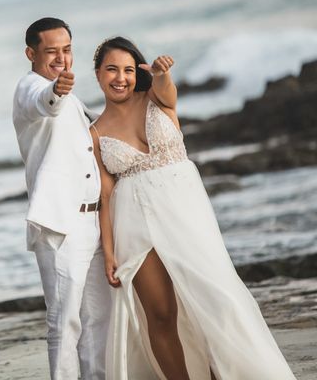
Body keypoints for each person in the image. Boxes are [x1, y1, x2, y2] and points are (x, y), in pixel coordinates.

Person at [89, 36, 296, 380]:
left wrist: (161, 75)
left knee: (216, 301)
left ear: (137, 71)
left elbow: (168, 93)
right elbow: (105, 195)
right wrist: (109, 253)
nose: (120, 78)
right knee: (159, 315)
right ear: (98, 74)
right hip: (133, 221)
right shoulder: (95, 133)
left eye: (127, 69)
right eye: (111, 69)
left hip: (185, 213)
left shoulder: (156, 97)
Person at [12, 18, 112, 379]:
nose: (61, 58)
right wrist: (57, 89)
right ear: (31, 53)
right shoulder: (30, 89)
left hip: (95, 223)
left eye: (66, 50)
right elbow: (46, 102)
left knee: (99, 320)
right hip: (61, 226)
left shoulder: (75, 99)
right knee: (64, 323)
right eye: (51, 51)